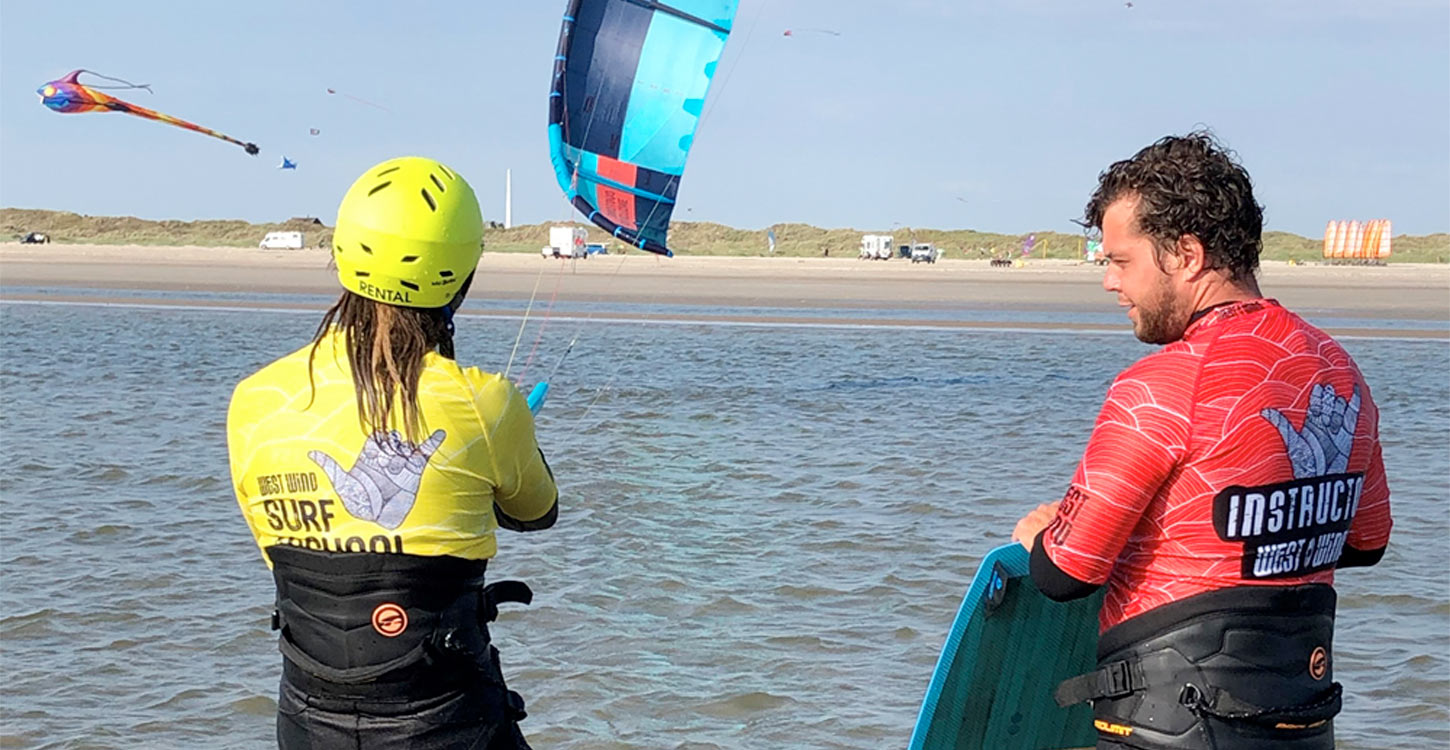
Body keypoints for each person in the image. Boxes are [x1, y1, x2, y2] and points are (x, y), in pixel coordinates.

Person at [1010, 133, 1392, 750]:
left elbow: (1068, 573)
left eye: (1119, 260)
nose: (1109, 281)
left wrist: (1039, 540)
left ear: (1185, 254)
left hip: (1166, 727)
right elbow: (1366, 541)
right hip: (1302, 720)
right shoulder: (1339, 367)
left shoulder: (1162, 385)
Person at [228, 156, 559, 749]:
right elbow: (537, 510)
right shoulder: (487, 402)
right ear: (461, 277)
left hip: (308, 722)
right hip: (448, 723)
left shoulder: (254, 400)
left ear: (343, 257)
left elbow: (285, 559)